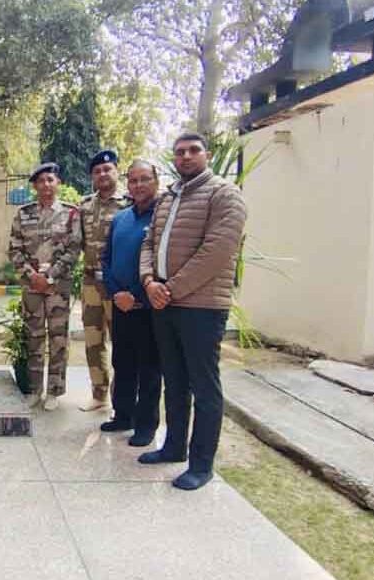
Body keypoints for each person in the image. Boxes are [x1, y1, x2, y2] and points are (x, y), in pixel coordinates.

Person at [138, 132, 247, 491]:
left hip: (201, 307)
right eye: (180, 152)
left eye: (193, 150)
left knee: (204, 386)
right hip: (164, 303)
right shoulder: (168, 197)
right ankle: (173, 447)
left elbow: (217, 251)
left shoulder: (224, 194)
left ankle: (201, 465)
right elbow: (149, 243)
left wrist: (170, 288)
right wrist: (149, 281)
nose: (185, 156)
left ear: (207, 155)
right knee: (174, 380)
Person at [8, 162, 82, 410]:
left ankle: (54, 391)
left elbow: (74, 250)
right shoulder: (23, 213)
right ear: (35, 186)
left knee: (59, 339)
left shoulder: (71, 214)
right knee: (34, 338)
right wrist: (33, 277)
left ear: (58, 183)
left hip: (57, 287)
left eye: (50, 179)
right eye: (40, 181)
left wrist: (49, 276)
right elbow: (14, 250)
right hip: (32, 288)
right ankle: (34, 389)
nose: (46, 185)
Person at [100, 160, 162, 445]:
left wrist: (136, 295)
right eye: (134, 180)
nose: (138, 185)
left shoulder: (162, 216)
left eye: (144, 179)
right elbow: (106, 259)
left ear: (156, 181)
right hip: (120, 304)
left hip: (148, 306)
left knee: (149, 367)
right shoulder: (121, 218)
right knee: (122, 362)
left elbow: (160, 261)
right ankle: (122, 415)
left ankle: (146, 425)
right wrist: (116, 293)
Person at [78, 149, 129, 412]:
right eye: (97, 171)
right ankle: (99, 396)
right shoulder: (85, 205)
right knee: (93, 340)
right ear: (92, 177)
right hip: (90, 284)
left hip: (117, 284)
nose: (102, 174)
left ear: (117, 171)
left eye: (107, 169)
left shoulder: (129, 204)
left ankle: (122, 398)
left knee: (121, 342)